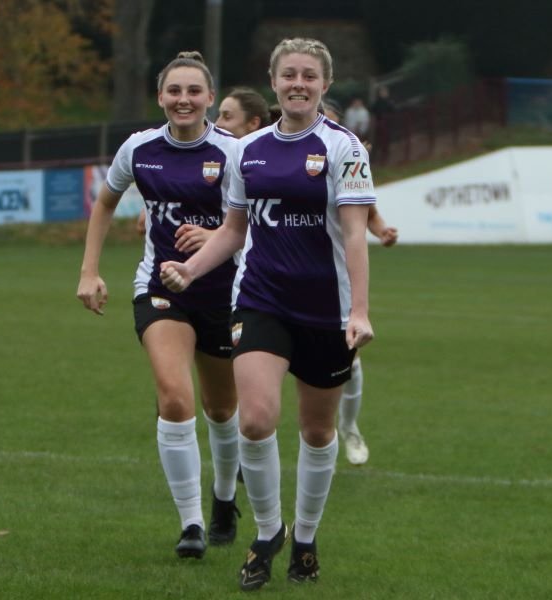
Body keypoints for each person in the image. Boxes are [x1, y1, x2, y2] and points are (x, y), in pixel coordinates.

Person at [159, 37, 375, 590]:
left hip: (326, 311)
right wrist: (193, 269)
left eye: (309, 76)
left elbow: (354, 233)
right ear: (274, 83)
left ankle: (305, 536)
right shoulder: (246, 149)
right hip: (260, 300)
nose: (298, 84)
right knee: (255, 419)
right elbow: (233, 230)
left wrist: (360, 311)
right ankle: (267, 533)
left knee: (318, 431)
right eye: (288, 75)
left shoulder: (344, 147)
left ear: (324, 85)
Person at [76, 51, 242, 560]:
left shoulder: (235, 151)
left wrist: (212, 235)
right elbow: (105, 202)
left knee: (222, 409)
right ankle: (190, 522)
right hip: (161, 290)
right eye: (175, 91)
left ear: (210, 98)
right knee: (174, 397)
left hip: (224, 293)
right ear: (160, 97)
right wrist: (89, 270)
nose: (184, 99)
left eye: (194, 91)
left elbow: (252, 222)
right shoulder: (139, 149)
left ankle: (224, 499)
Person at [321, 98, 397, 465]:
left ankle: (348, 428)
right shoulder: (276, 156)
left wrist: (382, 230)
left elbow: (366, 213)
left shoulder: (347, 160)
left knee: (347, 365)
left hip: (335, 278)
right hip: (274, 280)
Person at [135, 86, 271, 235]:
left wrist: (214, 237)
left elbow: (268, 228)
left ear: (253, 123)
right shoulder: (212, 156)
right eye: (218, 116)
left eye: (227, 116)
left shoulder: (262, 167)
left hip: (234, 258)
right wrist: (155, 209)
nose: (218, 123)